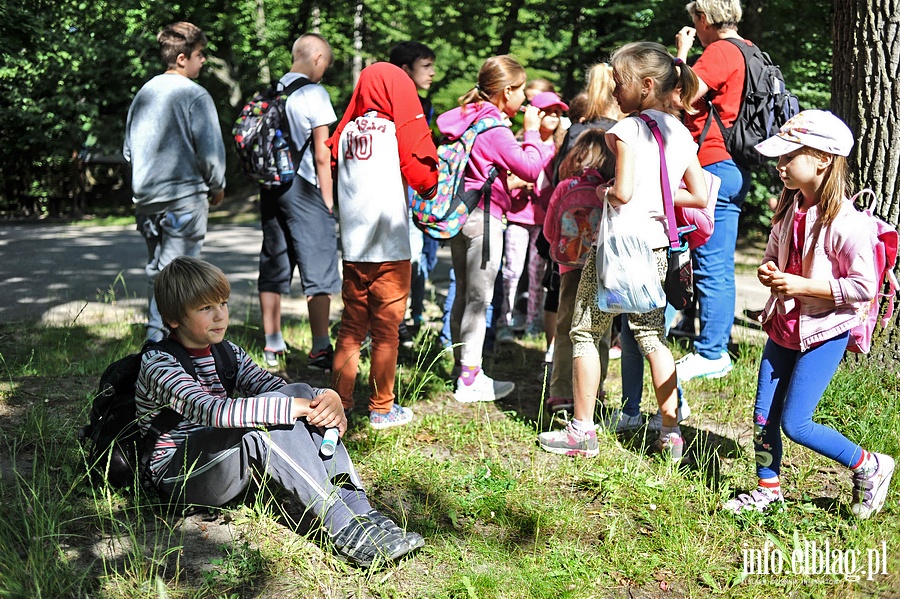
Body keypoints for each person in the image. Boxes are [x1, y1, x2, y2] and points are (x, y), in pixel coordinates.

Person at [135, 257, 424, 568]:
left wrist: (326, 398)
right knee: (260, 427)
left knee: (296, 393)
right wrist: (293, 407)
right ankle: (343, 525)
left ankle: (362, 512)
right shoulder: (159, 364)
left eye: (222, 303)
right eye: (206, 308)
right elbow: (212, 411)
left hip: (219, 459)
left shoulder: (227, 352)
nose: (220, 315)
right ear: (175, 318)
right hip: (178, 474)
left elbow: (279, 388)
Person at [538, 42, 708, 459]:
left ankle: (582, 431)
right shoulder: (681, 132)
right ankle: (671, 432)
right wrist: (659, 198)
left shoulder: (627, 130)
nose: (614, 90)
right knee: (653, 336)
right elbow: (700, 195)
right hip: (654, 248)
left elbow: (624, 192)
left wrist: (604, 189)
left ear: (647, 86)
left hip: (616, 250)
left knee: (584, 331)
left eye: (620, 81)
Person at [723, 110, 895, 517]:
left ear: (822, 158)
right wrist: (769, 271)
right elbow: (772, 255)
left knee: (795, 423)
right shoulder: (788, 208)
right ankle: (768, 490)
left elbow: (863, 289)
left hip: (823, 331)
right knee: (763, 416)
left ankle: (870, 464)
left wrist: (803, 287)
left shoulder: (846, 224)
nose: (780, 166)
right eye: (779, 158)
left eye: (788, 157)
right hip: (783, 327)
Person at [436, 55, 554, 403]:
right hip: (484, 221)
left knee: (464, 295)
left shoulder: (467, 118)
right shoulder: (494, 129)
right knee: (479, 298)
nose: (525, 101)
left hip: (461, 216)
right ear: (506, 91)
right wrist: (531, 130)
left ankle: (464, 367)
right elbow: (531, 168)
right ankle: (470, 379)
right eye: (521, 92)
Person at [327, 63, 439, 428]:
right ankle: (381, 407)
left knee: (350, 329)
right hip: (390, 249)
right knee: (386, 332)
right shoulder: (393, 129)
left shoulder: (343, 133)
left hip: (354, 250)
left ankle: (340, 405)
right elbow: (422, 172)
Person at [123, 21, 226, 343]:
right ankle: (158, 351)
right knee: (180, 280)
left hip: (148, 200)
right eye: (200, 54)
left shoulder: (144, 93)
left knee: (160, 275)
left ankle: (163, 347)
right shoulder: (195, 95)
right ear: (182, 58)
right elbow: (210, 152)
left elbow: (128, 150)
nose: (203, 60)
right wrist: (218, 185)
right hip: (184, 198)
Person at [673, 0, 755, 381]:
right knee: (713, 263)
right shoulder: (752, 51)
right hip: (735, 166)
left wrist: (682, 55)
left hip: (712, 165)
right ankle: (709, 345)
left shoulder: (720, 51)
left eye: (696, 21)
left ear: (703, 19)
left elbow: (683, 97)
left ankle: (712, 352)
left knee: (711, 267)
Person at [256, 33, 342, 371]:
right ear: (317, 57)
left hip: (272, 187)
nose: (325, 72)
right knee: (319, 265)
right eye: (327, 65)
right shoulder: (314, 93)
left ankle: (272, 345)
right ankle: (321, 348)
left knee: (275, 263)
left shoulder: (269, 92)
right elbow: (323, 153)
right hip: (304, 187)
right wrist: (328, 200)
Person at [545, 63, 623, 414]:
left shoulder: (565, 186)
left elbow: (550, 229)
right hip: (602, 266)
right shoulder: (609, 191)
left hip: (568, 267)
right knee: (598, 332)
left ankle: (560, 392)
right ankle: (595, 393)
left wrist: (557, 253)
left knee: (566, 328)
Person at [496, 91, 565, 344]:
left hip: (544, 220)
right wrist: (519, 183)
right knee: (512, 271)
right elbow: (505, 182)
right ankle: (505, 320)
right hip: (517, 216)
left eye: (558, 112)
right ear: (536, 114)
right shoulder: (518, 143)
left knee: (537, 274)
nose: (554, 117)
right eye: (549, 111)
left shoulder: (560, 149)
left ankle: (534, 321)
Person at [389, 41, 439, 343]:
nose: (433, 73)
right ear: (405, 69)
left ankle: (409, 318)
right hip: (393, 197)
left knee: (417, 258)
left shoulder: (425, 104)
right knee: (399, 260)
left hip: (415, 195)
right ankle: (392, 322)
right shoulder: (388, 106)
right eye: (426, 66)